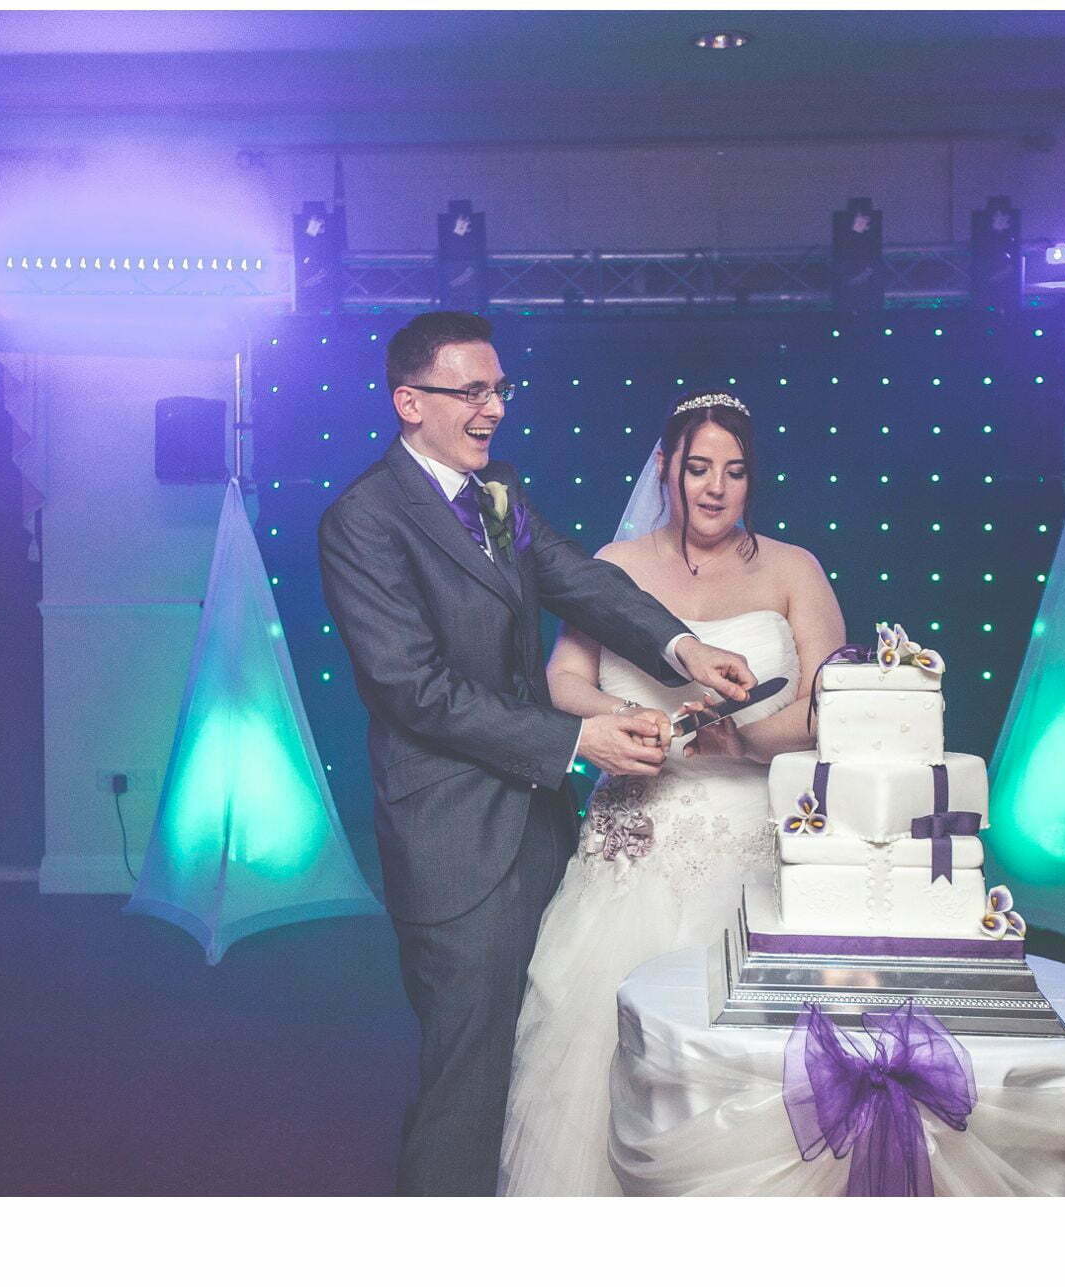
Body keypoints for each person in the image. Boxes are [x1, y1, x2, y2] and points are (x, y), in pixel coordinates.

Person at [316, 314, 759, 1196]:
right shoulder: (361, 520)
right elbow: (415, 689)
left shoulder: (500, 489)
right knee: (466, 1080)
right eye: (470, 391)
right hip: (453, 839)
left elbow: (580, 580)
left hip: (539, 825)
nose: (493, 409)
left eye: (499, 390)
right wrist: (577, 738)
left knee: (536, 1063)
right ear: (409, 401)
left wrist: (684, 648)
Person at [499, 390, 847, 1196]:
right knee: (594, 1049)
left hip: (749, 841)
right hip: (632, 840)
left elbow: (830, 703)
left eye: (735, 471)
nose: (716, 487)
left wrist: (745, 738)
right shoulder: (613, 567)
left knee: (739, 1065)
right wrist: (620, 720)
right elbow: (562, 679)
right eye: (698, 468)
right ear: (666, 468)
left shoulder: (794, 569)